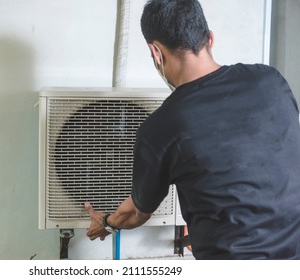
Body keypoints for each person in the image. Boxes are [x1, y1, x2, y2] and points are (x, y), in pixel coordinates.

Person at [85, 0, 300, 259]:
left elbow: (136, 212)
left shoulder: (162, 126)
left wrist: (107, 222)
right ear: (209, 38)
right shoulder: (271, 81)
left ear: (156, 53)